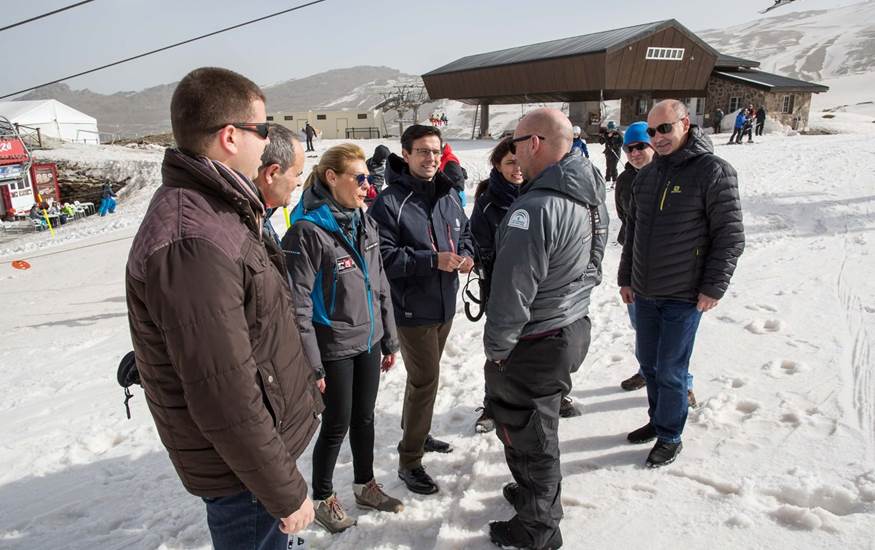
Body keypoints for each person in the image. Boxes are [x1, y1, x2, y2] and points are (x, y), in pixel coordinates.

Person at [125, 67, 322, 550]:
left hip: (256, 458)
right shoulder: (192, 238)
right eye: (262, 129)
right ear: (231, 136)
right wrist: (283, 490)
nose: (267, 141)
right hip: (246, 477)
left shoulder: (219, 208)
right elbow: (223, 393)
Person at [484, 108, 608, 549]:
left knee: (532, 437)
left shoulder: (535, 208)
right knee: (534, 430)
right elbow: (594, 261)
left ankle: (538, 530)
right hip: (570, 325)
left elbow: (512, 291)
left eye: (517, 144)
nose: (514, 154)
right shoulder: (588, 190)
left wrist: (498, 348)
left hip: (536, 338)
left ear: (534, 143)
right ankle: (533, 499)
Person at [283, 144, 404, 533]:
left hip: (368, 339)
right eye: (360, 178)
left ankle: (365, 485)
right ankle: (322, 497)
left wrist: (388, 336)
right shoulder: (307, 231)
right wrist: (311, 362)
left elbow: (379, 281)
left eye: (369, 178)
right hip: (332, 345)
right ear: (332, 178)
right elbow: (297, 304)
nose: (368, 186)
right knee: (336, 422)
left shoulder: (363, 219)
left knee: (364, 418)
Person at [619, 99, 744, 468]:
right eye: (652, 131)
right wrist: (626, 277)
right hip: (644, 291)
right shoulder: (648, 176)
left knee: (672, 369)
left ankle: (671, 435)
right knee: (650, 363)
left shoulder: (713, 172)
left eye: (665, 129)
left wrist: (713, 287)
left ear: (685, 124)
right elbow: (635, 233)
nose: (657, 138)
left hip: (684, 294)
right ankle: (659, 421)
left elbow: (730, 236)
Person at [368, 124, 475, 496]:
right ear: (407, 154)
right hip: (411, 308)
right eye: (423, 152)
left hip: (445, 304)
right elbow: (382, 257)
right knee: (425, 379)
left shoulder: (448, 194)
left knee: (424, 379)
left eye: (435, 151)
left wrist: (468, 255)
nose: (430, 158)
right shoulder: (389, 203)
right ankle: (409, 459)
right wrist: (432, 261)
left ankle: (418, 429)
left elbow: (465, 233)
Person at [469, 137, 525, 434]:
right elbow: (479, 244)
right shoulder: (488, 201)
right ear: (497, 165)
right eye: (509, 163)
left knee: (538, 348)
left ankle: (537, 398)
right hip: (500, 288)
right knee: (500, 350)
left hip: (535, 288)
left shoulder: (537, 191)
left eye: (519, 161)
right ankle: (492, 405)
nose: (517, 169)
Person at [253, 124, 306, 245]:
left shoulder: (259, 216)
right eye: (297, 174)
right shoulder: (240, 228)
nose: (300, 183)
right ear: (271, 173)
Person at [438, 142, 467, 207]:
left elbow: (457, 177)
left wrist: (455, 195)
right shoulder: (443, 158)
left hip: (454, 197)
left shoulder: (449, 159)